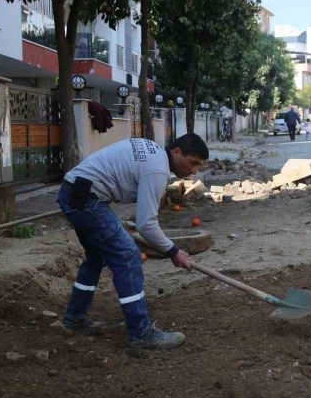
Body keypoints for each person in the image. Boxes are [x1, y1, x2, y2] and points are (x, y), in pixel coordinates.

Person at [57, 134, 209, 348]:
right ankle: (141, 333)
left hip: (77, 192)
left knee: (96, 257)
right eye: (192, 163)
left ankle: (74, 318)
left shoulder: (154, 155)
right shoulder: (157, 169)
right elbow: (146, 224)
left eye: (198, 166)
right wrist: (173, 251)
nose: (193, 171)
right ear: (176, 152)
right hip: (86, 199)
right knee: (128, 256)